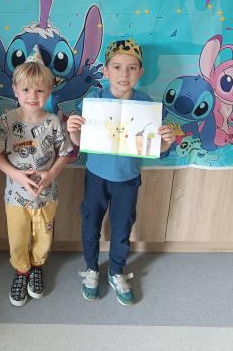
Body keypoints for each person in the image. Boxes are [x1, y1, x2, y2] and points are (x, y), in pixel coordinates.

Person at [67, 39, 175, 306]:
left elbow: (154, 148)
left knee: (122, 228)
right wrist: (73, 130)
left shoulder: (145, 104)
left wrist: (165, 142)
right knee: (90, 224)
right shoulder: (94, 100)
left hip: (127, 179)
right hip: (96, 176)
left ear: (140, 72)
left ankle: (116, 270)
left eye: (131, 68)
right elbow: (80, 142)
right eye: (116, 67)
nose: (123, 74)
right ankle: (91, 268)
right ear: (106, 71)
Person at [0, 47, 73, 306]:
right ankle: (21, 271)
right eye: (25, 90)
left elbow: (65, 153)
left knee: (44, 236)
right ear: (15, 90)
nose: (32, 96)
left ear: (49, 91)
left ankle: (37, 266)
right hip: (16, 196)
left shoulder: (53, 122)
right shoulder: (6, 120)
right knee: (17, 236)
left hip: (47, 195)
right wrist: (17, 175)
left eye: (39, 90)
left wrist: (51, 174)